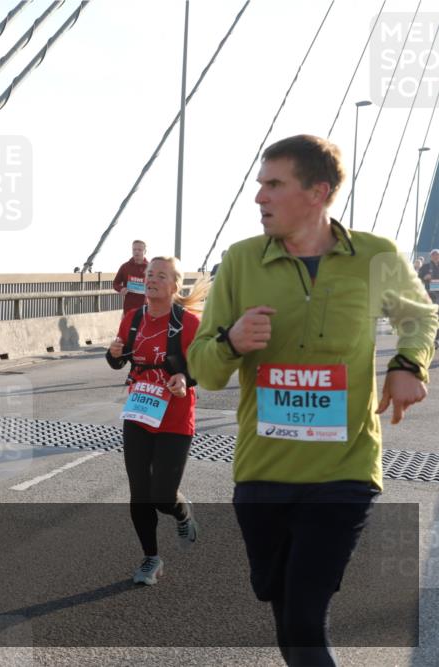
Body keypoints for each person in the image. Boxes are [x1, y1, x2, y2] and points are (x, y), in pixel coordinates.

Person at [187, 135, 437, 666]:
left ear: (318, 192)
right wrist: (231, 342)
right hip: (262, 470)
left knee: (303, 619)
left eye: (273, 184)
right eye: (260, 184)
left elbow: (420, 316)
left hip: (343, 471)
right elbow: (203, 370)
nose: (259, 197)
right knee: (276, 597)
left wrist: (407, 364)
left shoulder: (376, 256)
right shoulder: (239, 261)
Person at [106, 256, 209, 585]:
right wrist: (113, 352)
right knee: (139, 493)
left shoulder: (188, 323)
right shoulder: (133, 318)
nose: (151, 279)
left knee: (162, 495)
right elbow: (119, 361)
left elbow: (203, 366)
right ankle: (151, 558)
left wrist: (184, 377)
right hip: (139, 412)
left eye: (160, 275)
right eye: (150, 274)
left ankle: (180, 510)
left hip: (175, 416)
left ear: (175, 286)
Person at [113, 240, 149, 313]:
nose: (136, 252)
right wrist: (121, 289)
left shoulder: (151, 267)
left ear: (145, 251)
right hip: (129, 308)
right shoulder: (125, 267)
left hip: (146, 307)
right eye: (134, 249)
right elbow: (115, 283)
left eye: (139, 250)